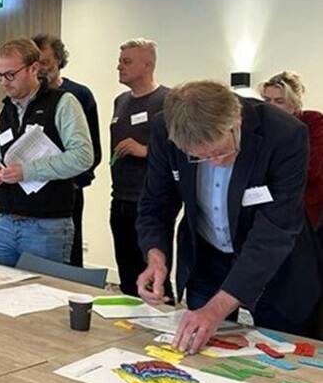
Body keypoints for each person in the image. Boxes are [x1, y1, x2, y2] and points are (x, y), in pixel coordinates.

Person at [137, 80, 322, 351]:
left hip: (277, 267)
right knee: (200, 350)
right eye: (200, 157)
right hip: (208, 260)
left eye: (222, 151)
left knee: (283, 359)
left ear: (236, 119)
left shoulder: (285, 134)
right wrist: (156, 257)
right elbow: (156, 202)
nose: (215, 162)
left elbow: (275, 231)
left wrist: (215, 310)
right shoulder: (164, 128)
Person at [0, 38, 93, 267]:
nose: (4, 82)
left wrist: (28, 171)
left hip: (46, 226)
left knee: (44, 296)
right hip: (4, 221)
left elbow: (83, 156)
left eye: (10, 74)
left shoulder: (63, 103)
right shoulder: (7, 109)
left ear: (33, 69)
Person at [109, 38, 172, 297]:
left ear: (147, 65)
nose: (118, 66)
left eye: (126, 61)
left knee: (153, 275)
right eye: (120, 60)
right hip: (120, 198)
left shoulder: (167, 100)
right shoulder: (120, 101)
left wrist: (145, 150)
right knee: (127, 275)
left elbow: (181, 150)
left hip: (151, 204)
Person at [32, 33, 101, 267]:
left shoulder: (79, 95)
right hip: (31, 188)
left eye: (45, 61)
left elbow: (93, 151)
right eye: (35, 62)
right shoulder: (28, 97)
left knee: (68, 253)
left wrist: (75, 182)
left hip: (66, 188)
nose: (40, 68)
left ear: (59, 61)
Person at [259, 71, 323, 227]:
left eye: (279, 101)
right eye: (267, 100)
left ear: (294, 103)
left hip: (304, 204)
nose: (271, 106)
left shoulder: (313, 122)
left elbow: (311, 169)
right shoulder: (261, 127)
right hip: (267, 203)